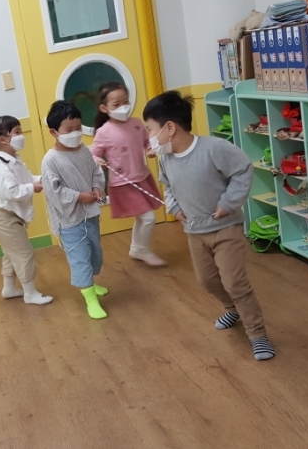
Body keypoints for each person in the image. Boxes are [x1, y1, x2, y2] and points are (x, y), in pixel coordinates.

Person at [143, 91, 275, 361]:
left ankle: (257, 334)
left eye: (150, 129)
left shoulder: (213, 149)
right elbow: (168, 185)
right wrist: (174, 208)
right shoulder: (166, 157)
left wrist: (229, 202)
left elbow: (243, 169)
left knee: (235, 282)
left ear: (170, 128)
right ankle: (232, 309)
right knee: (207, 281)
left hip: (226, 229)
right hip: (195, 232)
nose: (149, 137)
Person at [41, 101, 108, 319]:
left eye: (78, 128)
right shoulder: (51, 160)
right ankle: (90, 299)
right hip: (69, 221)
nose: (75, 133)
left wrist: (97, 188)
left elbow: (96, 172)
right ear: (54, 132)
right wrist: (79, 196)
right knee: (80, 258)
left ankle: (90, 284)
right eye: (69, 130)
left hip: (90, 216)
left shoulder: (84, 151)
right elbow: (54, 191)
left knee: (95, 254)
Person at [91, 82, 166, 266]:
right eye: (116, 104)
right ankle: (142, 250)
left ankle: (136, 248)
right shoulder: (103, 132)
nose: (123, 107)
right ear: (104, 108)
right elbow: (93, 154)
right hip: (124, 184)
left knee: (142, 217)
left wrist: (150, 150)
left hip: (142, 177)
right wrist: (97, 160)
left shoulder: (137, 123)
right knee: (148, 218)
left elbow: (147, 142)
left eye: (125, 101)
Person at [0, 116, 53, 305]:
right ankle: (30, 293)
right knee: (24, 253)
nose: (21, 136)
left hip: (9, 216)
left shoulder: (14, 160)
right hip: (3, 217)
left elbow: (27, 178)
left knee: (11, 252)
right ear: (3, 139)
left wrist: (42, 179)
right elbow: (11, 191)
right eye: (17, 132)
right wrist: (32, 187)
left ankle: (8, 288)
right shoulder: (1, 166)